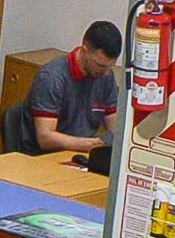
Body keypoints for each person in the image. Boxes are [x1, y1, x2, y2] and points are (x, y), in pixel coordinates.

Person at [25, 20, 123, 155]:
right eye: (100, 65)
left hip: (81, 153)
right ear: (84, 51)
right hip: (44, 155)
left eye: (110, 66)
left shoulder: (105, 75)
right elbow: (45, 138)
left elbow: (115, 129)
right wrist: (91, 144)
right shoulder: (52, 77)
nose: (106, 72)